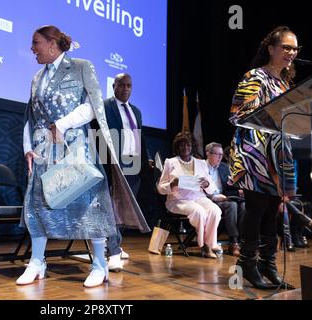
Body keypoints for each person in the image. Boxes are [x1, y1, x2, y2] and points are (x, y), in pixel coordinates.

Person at [21, 25, 149, 288]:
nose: (32, 48)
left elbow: (93, 105)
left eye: (36, 42)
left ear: (52, 44)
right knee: (38, 205)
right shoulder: (36, 77)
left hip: (75, 148)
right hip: (44, 150)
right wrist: (27, 148)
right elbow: (30, 117)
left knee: (90, 206)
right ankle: (36, 262)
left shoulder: (81, 66)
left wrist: (64, 123)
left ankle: (100, 265)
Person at [229, 26, 299, 290]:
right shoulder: (255, 77)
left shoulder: (285, 84)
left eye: (295, 48)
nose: (291, 53)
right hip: (255, 154)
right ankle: (247, 263)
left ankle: (267, 265)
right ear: (271, 48)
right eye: (286, 47)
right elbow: (237, 115)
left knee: (273, 211)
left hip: (279, 154)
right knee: (257, 208)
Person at [103, 73, 153, 271]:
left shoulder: (136, 111)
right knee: (113, 207)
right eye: (121, 85)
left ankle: (115, 243)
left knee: (124, 208)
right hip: (113, 162)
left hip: (133, 163)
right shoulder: (105, 106)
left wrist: (145, 157)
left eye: (129, 86)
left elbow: (139, 137)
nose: (125, 89)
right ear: (114, 86)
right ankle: (113, 251)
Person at [157, 132, 221, 258]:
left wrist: (206, 184)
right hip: (177, 199)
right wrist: (172, 184)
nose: (185, 147)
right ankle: (204, 246)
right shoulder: (170, 162)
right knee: (199, 212)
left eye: (188, 145)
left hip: (198, 197)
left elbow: (212, 188)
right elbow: (160, 188)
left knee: (215, 210)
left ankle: (209, 243)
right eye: (182, 145)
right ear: (177, 147)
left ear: (192, 147)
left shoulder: (201, 163)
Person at [205, 142, 245, 257]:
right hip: (208, 199)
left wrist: (239, 191)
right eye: (216, 154)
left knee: (242, 205)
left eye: (221, 155)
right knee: (232, 205)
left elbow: (229, 188)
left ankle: (242, 241)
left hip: (224, 198)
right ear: (208, 153)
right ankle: (234, 241)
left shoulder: (224, 167)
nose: (219, 157)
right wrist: (215, 197)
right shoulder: (201, 166)